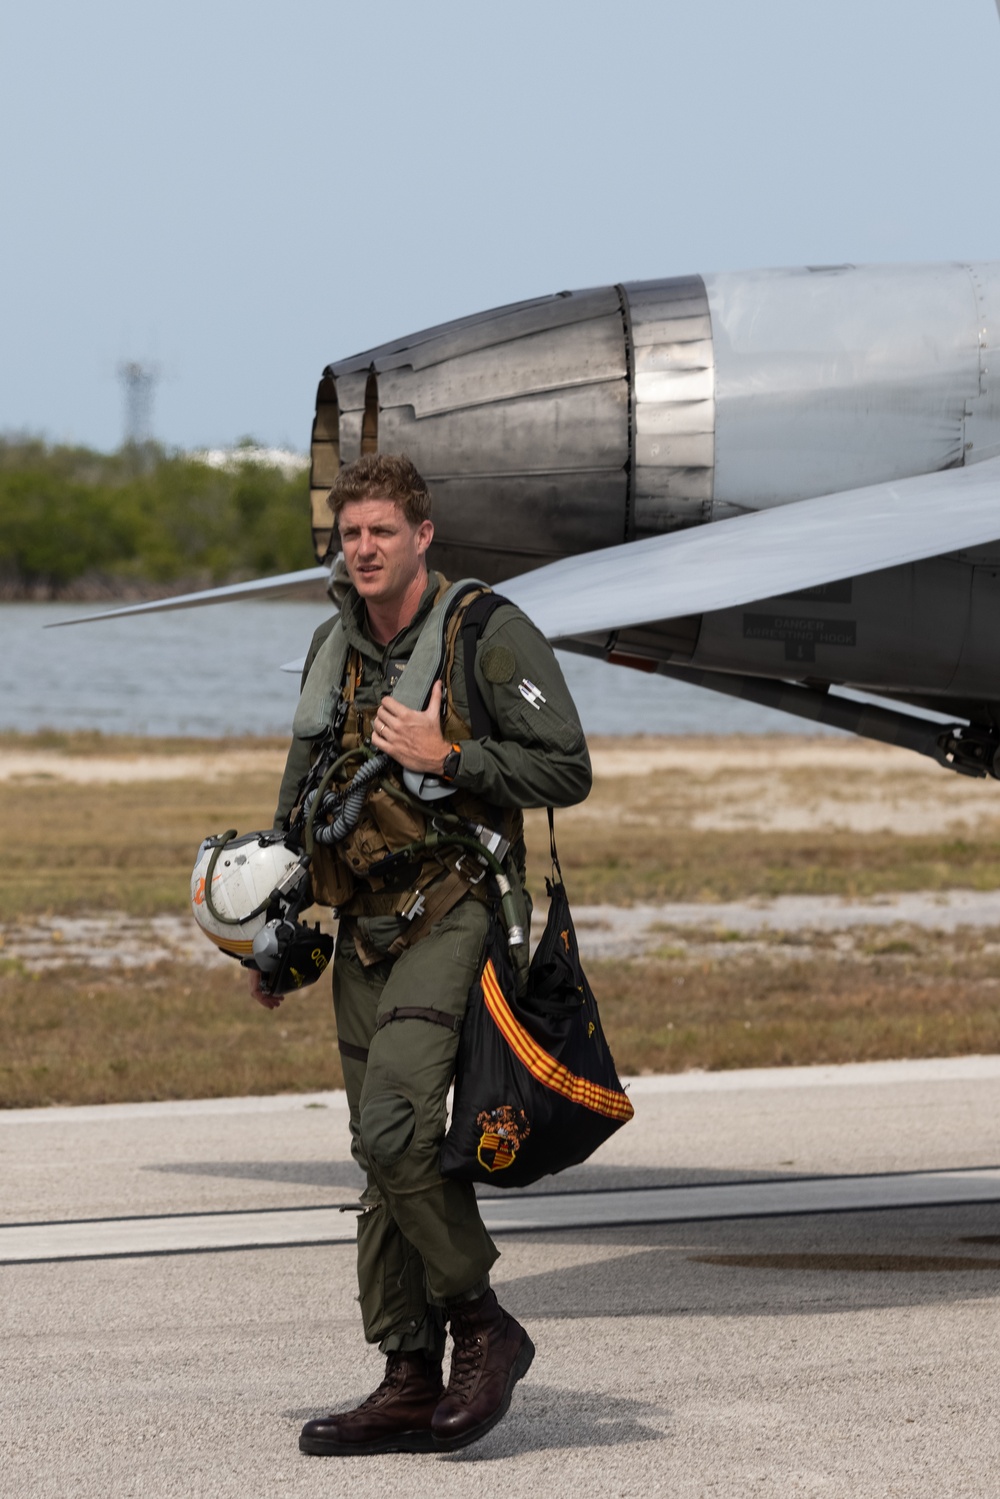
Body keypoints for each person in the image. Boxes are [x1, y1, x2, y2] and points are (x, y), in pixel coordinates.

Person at [252, 452, 592, 1456]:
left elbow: (564, 765)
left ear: (421, 536)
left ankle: (484, 1324)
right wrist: (277, 932)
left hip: (455, 908)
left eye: (380, 532)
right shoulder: (336, 648)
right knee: (378, 1155)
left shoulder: (484, 633)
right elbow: (300, 804)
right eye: (349, 533)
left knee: (401, 1127)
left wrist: (448, 756)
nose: (362, 548)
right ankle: (406, 1372)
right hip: (362, 925)